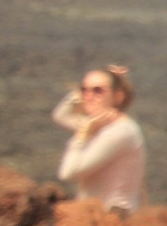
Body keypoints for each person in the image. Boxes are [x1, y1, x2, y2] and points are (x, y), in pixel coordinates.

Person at [54, 66, 145, 212]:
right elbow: (60, 115)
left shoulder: (120, 133)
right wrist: (77, 95)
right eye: (84, 90)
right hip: (94, 215)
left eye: (98, 91)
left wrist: (81, 136)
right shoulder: (97, 125)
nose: (89, 96)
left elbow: (68, 173)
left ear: (118, 96)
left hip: (113, 218)